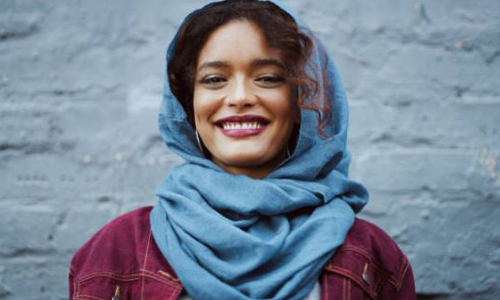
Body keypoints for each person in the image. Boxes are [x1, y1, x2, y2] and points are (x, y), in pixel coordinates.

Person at [69, 0, 416, 299]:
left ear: (301, 103)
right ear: (188, 105)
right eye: (214, 80)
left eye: (267, 78)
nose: (239, 97)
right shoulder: (116, 250)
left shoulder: (373, 255)